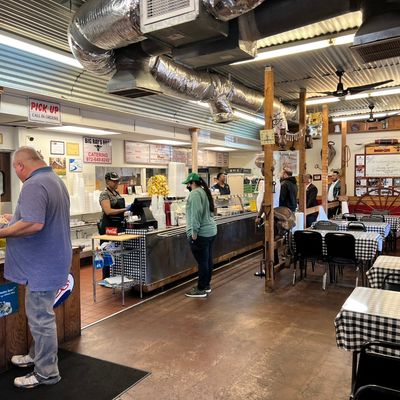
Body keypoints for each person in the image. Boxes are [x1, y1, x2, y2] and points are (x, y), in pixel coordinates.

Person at [0, 146, 71, 389]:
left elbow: (33, 224)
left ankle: (46, 373)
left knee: (41, 320)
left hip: (41, 267)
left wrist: (2, 232)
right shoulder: (54, 180)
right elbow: (37, 217)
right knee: (41, 317)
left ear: (20, 166)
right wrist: (13, 219)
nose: (17, 174)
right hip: (51, 262)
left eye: (15, 169)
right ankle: (36, 356)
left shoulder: (33, 184)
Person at [183, 172, 217, 298]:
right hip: (210, 231)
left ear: (192, 183)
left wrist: (194, 232)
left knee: (203, 262)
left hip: (201, 233)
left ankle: (201, 289)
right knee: (207, 261)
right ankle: (206, 285)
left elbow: (196, 213)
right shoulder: (203, 191)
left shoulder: (195, 193)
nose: (187, 186)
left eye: (188, 184)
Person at [98, 172, 127, 278]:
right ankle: (106, 277)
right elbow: (108, 211)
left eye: (117, 181)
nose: (116, 183)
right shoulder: (104, 194)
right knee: (107, 251)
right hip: (108, 227)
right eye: (114, 181)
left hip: (117, 225)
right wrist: (124, 209)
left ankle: (116, 275)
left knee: (116, 250)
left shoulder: (116, 193)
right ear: (107, 181)